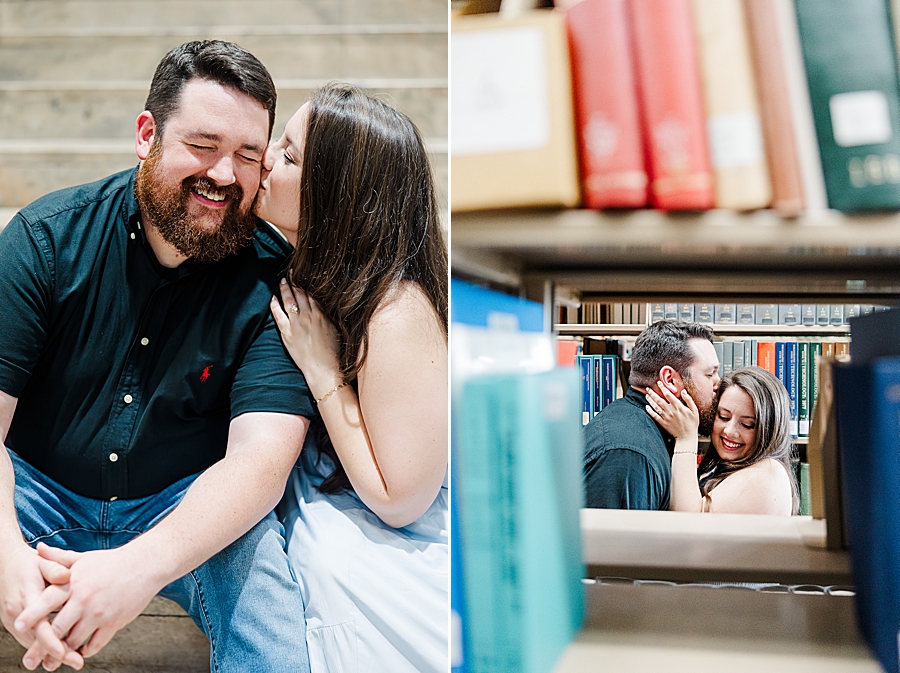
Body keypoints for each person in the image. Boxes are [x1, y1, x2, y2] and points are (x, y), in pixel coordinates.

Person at [0, 41, 314, 672]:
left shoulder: (276, 280)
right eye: (203, 145)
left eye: (249, 155)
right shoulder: (44, 239)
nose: (225, 174)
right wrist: (7, 561)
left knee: (267, 611)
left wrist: (135, 570)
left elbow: (259, 463)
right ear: (147, 135)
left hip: (182, 505)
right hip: (35, 493)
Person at [256, 83, 448, 672]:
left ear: (334, 199)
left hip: (401, 532)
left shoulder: (397, 311)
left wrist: (320, 368)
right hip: (337, 493)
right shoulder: (307, 269)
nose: (265, 158)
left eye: (288, 156)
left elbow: (400, 500)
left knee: (329, 564)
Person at [583, 321, 720, 510]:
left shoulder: (644, 431)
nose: (718, 383)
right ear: (670, 380)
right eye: (710, 374)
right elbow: (615, 539)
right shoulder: (630, 455)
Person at [645, 366, 799, 515]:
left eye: (747, 425)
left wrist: (686, 438)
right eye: (723, 416)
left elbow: (687, 523)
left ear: (770, 431)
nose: (729, 431)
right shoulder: (727, 467)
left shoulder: (768, 474)